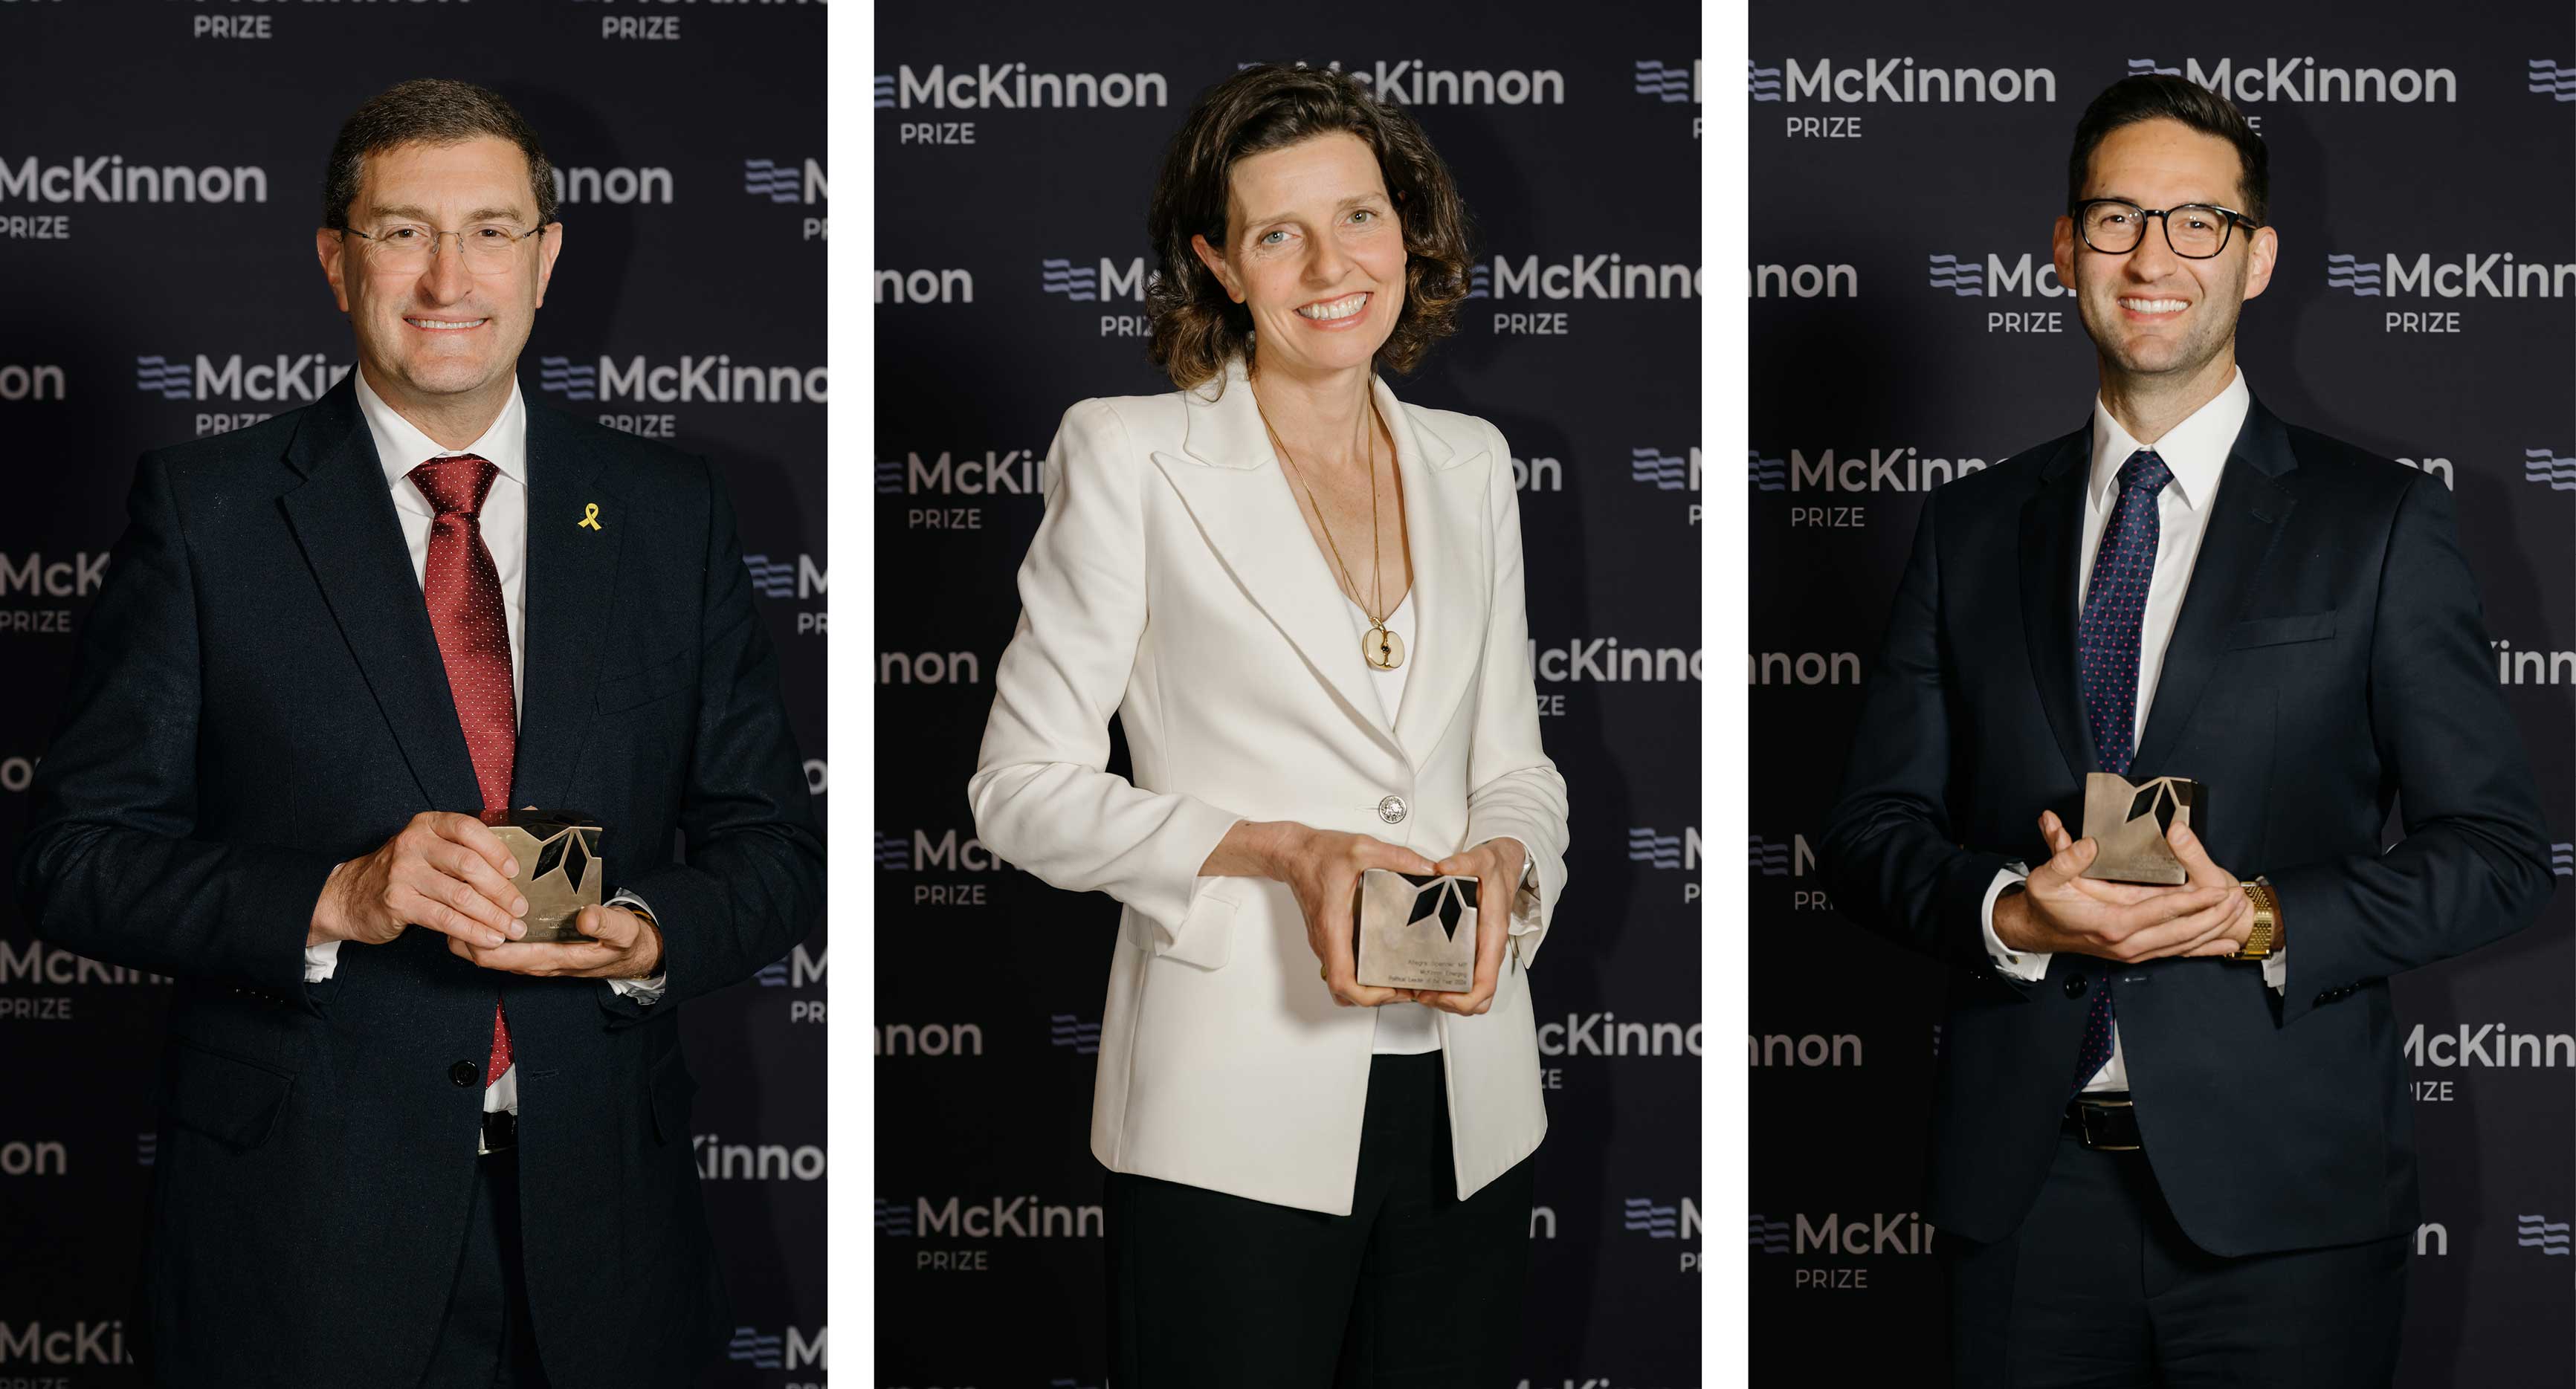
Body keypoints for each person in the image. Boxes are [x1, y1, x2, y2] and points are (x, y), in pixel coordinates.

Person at [13, 79, 823, 1388]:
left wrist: (648, 931)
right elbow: (77, 858)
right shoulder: (208, 514)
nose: (450, 277)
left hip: (608, 1239)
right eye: (403, 232)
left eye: (492, 231)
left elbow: (774, 848)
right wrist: (336, 895)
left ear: (546, 260)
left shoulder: (672, 513)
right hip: (299, 1243)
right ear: (337, 260)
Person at [1819, 74, 2552, 1386]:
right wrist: (2010, 911)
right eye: (2115, 218)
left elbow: (2498, 852)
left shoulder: (2378, 524)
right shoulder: (1971, 527)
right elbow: (1871, 830)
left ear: (2255, 258)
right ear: (2064, 249)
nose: (2151, 257)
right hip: (2022, 1199)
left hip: (2287, 1214)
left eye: (2195, 222)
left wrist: (2256, 917)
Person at [966, 63, 1569, 1388]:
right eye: (1277, 233)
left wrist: (1511, 862)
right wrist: (1281, 850)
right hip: (1229, 1103)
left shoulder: (1471, 461)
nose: (1330, 266)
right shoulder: (1127, 453)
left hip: (1469, 1099)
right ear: (1218, 264)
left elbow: (1516, 765)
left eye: (1359, 217)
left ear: (1408, 230)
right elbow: (1018, 788)